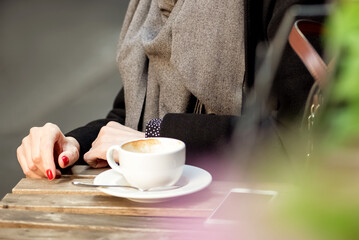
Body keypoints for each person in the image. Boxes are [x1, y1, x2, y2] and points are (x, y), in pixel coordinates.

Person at [16, 0, 326, 180]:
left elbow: (303, 138)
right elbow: (128, 119)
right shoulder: (149, 6)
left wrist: (156, 138)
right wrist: (71, 146)